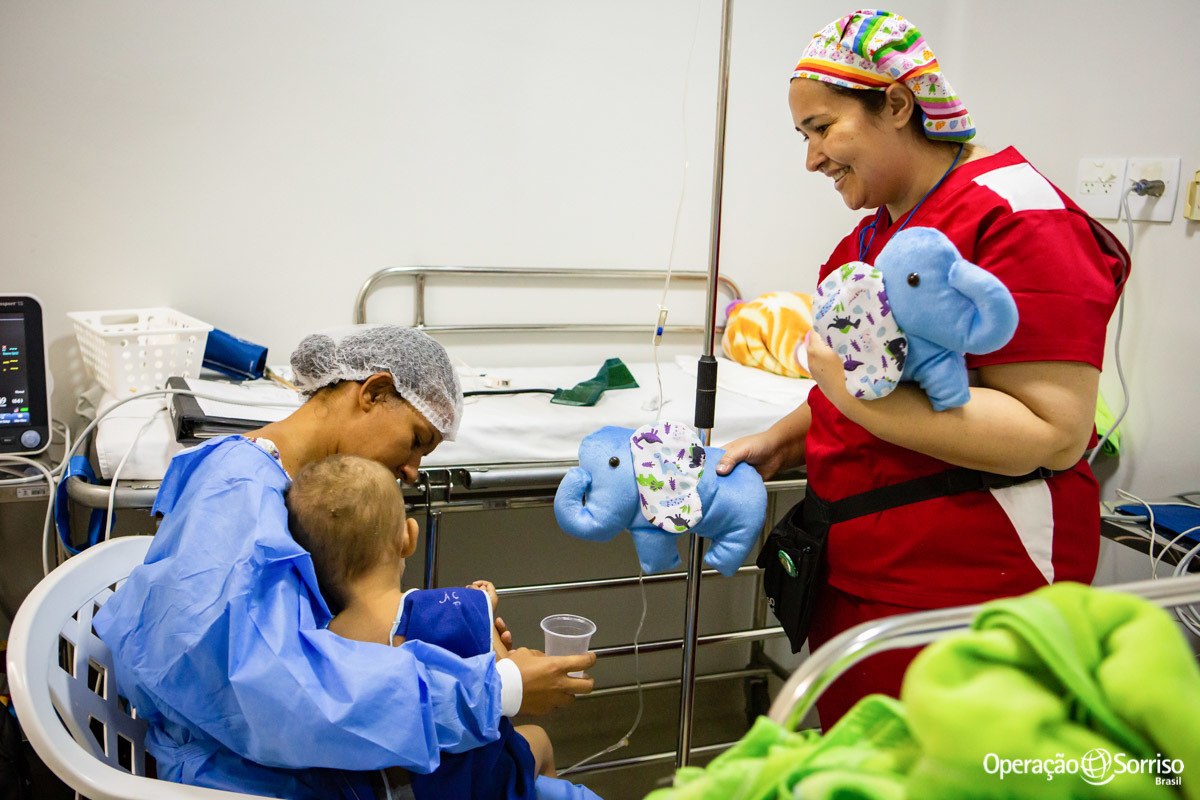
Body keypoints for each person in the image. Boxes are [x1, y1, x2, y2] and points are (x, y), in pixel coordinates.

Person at [716, 9, 1128, 728]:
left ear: (899, 105)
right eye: (803, 136)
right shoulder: (875, 233)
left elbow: (1054, 432)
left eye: (821, 129)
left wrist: (843, 387)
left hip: (971, 580)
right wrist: (780, 440)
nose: (811, 160)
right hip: (859, 572)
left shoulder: (1018, 216)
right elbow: (871, 381)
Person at [93, 325, 596, 799]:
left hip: (309, 758)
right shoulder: (236, 495)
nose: (413, 471)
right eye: (418, 440)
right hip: (251, 777)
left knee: (530, 760)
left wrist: (445, 645)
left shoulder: (285, 489)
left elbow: (318, 646)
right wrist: (494, 690)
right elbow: (278, 695)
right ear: (373, 393)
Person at [286, 453, 601, 800]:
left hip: (380, 791)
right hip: (471, 786)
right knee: (538, 743)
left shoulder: (320, 640)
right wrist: (485, 617)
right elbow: (504, 675)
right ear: (409, 536)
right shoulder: (457, 608)